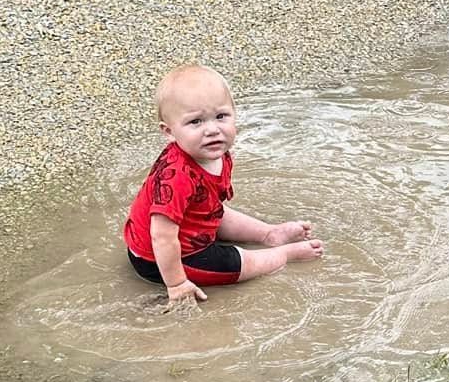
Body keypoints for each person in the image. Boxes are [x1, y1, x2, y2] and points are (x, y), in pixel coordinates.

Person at [124, 64, 324, 306]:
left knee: (216, 210)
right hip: (159, 260)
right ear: (170, 132)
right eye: (196, 122)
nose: (212, 130)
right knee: (233, 264)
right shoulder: (176, 176)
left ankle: (268, 233)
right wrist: (177, 283)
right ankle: (283, 254)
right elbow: (162, 237)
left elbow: (212, 205)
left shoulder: (212, 153)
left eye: (221, 117)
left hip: (187, 227)